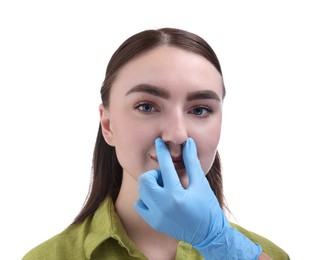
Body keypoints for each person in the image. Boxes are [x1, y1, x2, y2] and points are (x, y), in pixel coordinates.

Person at [23, 27, 289, 260]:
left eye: (199, 110)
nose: (177, 134)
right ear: (108, 125)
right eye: (147, 106)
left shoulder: (264, 255)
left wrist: (221, 245)